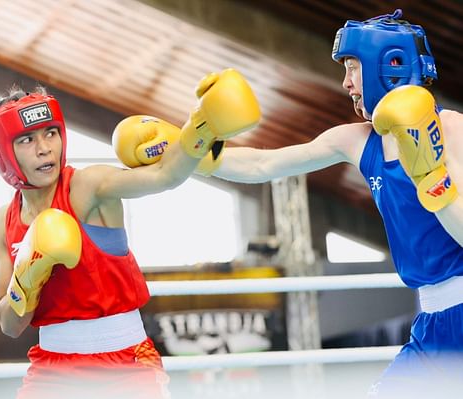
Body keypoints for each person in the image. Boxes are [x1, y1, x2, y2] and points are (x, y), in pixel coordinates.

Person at [151, 10, 463, 398]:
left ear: (389, 65)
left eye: (352, 67)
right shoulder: (356, 140)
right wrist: (191, 151)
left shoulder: (454, 130)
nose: (347, 83)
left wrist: (434, 180)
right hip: (432, 320)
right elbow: (264, 163)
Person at [0, 68, 260, 399]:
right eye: (27, 140)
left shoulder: (87, 187)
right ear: (2, 152)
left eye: (51, 133)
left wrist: (203, 126)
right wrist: (27, 278)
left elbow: (164, 175)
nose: (44, 149)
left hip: (126, 363)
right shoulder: (5, 221)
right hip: (53, 369)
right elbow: (9, 325)